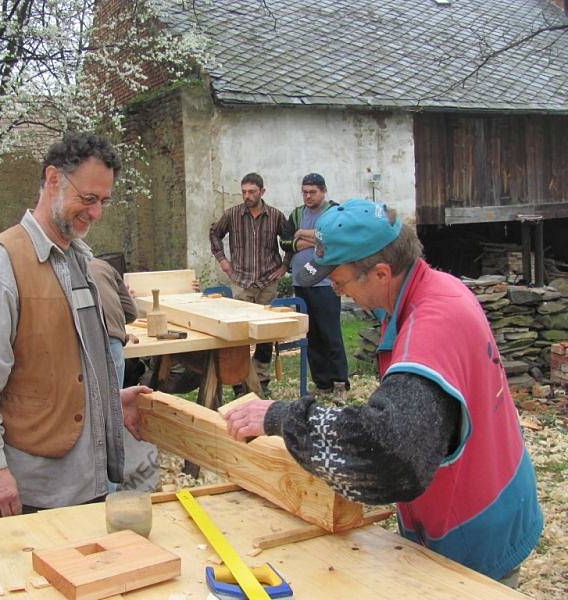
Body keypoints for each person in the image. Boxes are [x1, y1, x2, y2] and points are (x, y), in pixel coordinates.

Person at [223, 199, 543, 585]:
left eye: (340, 282)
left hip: (472, 529)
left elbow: (389, 451)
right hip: (489, 494)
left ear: (379, 273)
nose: (339, 293)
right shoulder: (434, 290)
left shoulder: (433, 326)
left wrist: (281, 418)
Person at [0, 132, 151, 518]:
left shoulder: (77, 259)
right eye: (88, 199)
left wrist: (105, 399)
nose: (96, 213)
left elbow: (65, 360)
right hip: (31, 487)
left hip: (84, 481)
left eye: (104, 201)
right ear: (53, 179)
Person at [209, 173, 290, 396]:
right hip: (242, 281)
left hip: (267, 281)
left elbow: (290, 241)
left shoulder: (275, 216)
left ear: (262, 192)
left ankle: (261, 380)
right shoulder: (233, 215)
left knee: (265, 333)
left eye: (252, 192)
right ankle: (239, 383)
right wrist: (223, 261)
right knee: (240, 333)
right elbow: (214, 233)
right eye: (244, 192)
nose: (247, 196)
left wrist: (285, 266)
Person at [90, 258, 159, 491]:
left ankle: (101, 493)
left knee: (92, 419)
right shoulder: (105, 267)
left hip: (78, 344)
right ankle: (111, 491)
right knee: (111, 420)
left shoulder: (58, 267)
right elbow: (131, 313)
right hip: (112, 341)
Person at [280, 173, 349, 392]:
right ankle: (322, 383)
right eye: (305, 192)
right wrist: (306, 240)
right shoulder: (297, 213)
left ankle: (339, 382)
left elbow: (333, 238)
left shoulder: (334, 211)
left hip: (325, 283)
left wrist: (304, 235)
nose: (308, 196)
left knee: (330, 334)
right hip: (301, 283)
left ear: (323, 191)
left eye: (312, 192)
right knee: (311, 335)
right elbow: (286, 242)